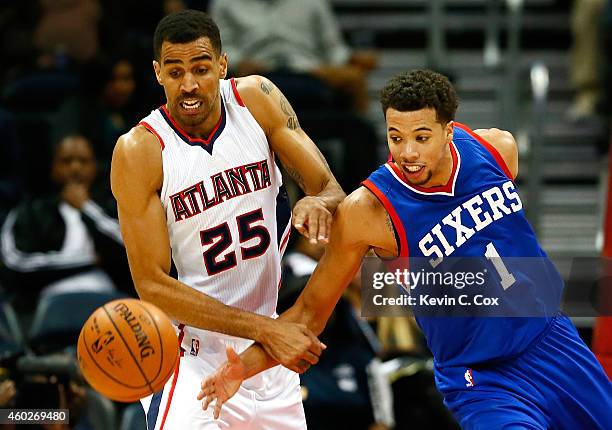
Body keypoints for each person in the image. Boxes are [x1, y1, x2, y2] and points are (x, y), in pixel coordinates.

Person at [199, 70, 612, 429]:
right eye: (395, 137)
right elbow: (309, 312)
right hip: (482, 379)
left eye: (421, 137)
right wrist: (245, 367)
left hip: (552, 341)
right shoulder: (368, 212)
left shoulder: (496, 149)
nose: (407, 152)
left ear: (449, 130)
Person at [110, 9, 344, 429]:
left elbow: (329, 188)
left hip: (268, 354)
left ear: (221, 64)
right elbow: (151, 285)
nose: (189, 85)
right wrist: (266, 330)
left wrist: (317, 202)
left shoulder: (256, 100)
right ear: (157, 73)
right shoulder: (140, 151)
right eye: (175, 71)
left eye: (200, 69)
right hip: (189, 358)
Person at [0, 135, 129, 315]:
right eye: (67, 161)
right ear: (53, 168)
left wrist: (87, 208)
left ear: (95, 168)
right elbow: (16, 263)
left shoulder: (114, 209)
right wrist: (90, 261)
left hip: (110, 300)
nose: (75, 167)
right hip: (49, 302)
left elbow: (135, 252)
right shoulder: (30, 212)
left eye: (83, 161)